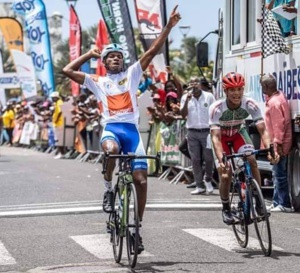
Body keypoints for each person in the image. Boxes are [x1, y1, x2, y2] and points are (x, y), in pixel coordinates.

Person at [62, 6, 181, 252]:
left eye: (118, 56)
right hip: (112, 129)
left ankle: (136, 228)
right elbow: (68, 70)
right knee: (111, 148)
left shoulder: (132, 74)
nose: (115, 59)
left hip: (132, 132)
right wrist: (88, 54)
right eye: (110, 57)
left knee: (141, 179)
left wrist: (168, 27)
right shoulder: (98, 81)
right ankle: (108, 189)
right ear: (104, 63)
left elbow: (152, 50)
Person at [209, 72, 278, 225]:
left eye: (239, 89)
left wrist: (270, 149)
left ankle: (259, 202)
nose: (236, 93)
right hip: (222, 138)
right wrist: (221, 160)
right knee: (226, 174)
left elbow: (263, 130)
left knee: (252, 160)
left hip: (238, 133)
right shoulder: (217, 108)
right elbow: (215, 137)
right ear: (225, 91)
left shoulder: (250, 104)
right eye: (232, 90)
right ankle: (226, 208)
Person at [261, 74, 293, 212]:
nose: (261, 88)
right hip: (276, 143)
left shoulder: (274, 103)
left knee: (279, 175)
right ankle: (276, 202)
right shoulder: (278, 97)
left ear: (266, 87)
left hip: (278, 144)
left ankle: (284, 204)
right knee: (275, 173)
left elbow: (278, 126)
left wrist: (277, 144)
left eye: (262, 86)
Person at [181, 76, 216, 195]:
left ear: (200, 84)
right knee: (195, 160)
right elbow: (183, 114)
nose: (194, 84)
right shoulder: (185, 97)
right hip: (192, 132)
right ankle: (199, 185)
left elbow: (215, 112)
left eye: (196, 82)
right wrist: (187, 100)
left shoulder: (209, 96)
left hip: (206, 131)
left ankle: (208, 180)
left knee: (209, 158)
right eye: (191, 82)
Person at [50, 91, 65, 159]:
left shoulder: (59, 102)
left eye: (53, 98)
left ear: (56, 97)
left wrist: (55, 120)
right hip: (58, 123)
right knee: (58, 139)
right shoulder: (57, 102)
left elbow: (59, 112)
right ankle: (61, 153)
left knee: (58, 139)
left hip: (59, 123)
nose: (52, 99)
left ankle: (61, 153)